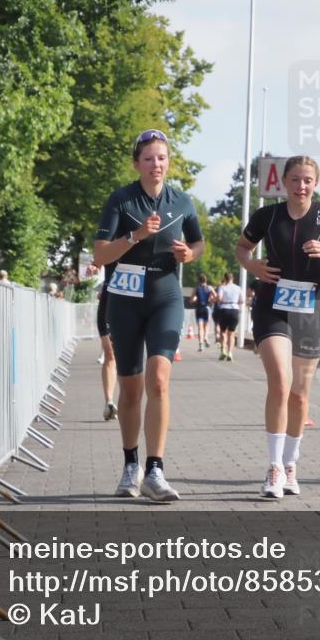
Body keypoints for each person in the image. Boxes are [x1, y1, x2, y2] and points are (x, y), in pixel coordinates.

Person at [235, 156, 320, 498]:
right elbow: (242, 247)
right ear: (284, 182)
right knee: (280, 382)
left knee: (300, 395)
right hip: (272, 304)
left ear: (315, 184)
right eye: (295, 180)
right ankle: (273, 468)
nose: (301, 186)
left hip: (310, 308)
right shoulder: (268, 216)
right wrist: (252, 265)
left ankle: (291, 465)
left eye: (307, 180)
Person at [93, 128, 205, 502]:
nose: (156, 164)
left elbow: (198, 242)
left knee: (159, 379)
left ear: (168, 162)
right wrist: (135, 236)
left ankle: (155, 470)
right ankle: (130, 465)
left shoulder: (182, 201)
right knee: (131, 388)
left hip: (165, 295)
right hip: (124, 298)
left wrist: (189, 255)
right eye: (148, 158)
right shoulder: (121, 200)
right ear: (136, 163)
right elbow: (100, 255)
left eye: (162, 158)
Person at [96, 262, 119, 420]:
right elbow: (99, 255)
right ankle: (109, 402)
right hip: (108, 306)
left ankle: (127, 402)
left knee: (123, 357)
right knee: (110, 354)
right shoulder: (114, 241)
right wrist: (94, 265)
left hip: (132, 308)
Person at [214, 272, 243, 361]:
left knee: (223, 332)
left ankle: (223, 350)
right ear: (232, 278)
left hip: (224, 309)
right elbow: (242, 300)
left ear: (225, 278)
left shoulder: (222, 287)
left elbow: (219, 298)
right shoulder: (238, 288)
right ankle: (230, 352)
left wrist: (219, 300)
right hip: (234, 310)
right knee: (231, 333)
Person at [190, 273, 213, 352]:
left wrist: (194, 299)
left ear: (198, 280)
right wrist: (211, 299)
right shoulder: (209, 288)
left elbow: (191, 299)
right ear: (206, 280)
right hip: (206, 308)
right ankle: (206, 337)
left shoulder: (196, 288)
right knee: (206, 326)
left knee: (200, 328)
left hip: (199, 309)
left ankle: (201, 345)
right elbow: (216, 296)